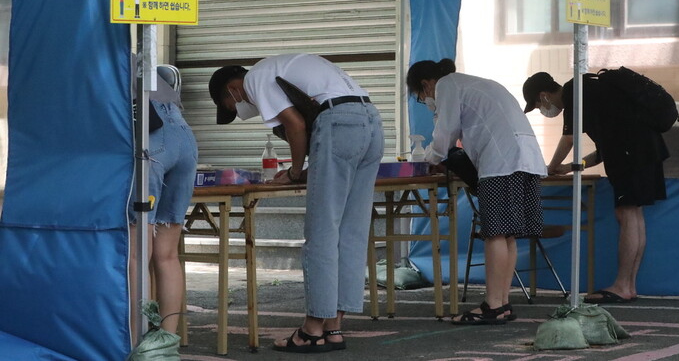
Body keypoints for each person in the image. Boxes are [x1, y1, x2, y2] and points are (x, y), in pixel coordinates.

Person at [209, 53, 384, 353]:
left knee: (322, 233)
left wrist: (293, 172)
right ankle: (333, 327)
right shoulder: (282, 67)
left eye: (231, 108)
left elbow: (295, 124)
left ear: (233, 91)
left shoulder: (254, 79)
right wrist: (303, 169)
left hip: (338, 124)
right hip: (370, 122)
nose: (240, 112)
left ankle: (312, 330)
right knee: (350, 231)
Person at [407, 58, 546, 325]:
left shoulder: (447, 85)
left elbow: (445, 133)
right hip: (526, 159)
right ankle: (502, 302)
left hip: (501, 162)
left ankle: (493, 305)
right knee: (508, 235)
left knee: (495, 232)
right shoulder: (477, 83)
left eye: (420, 96)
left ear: (425, 84)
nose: (425, 100)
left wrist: (429, 158)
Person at [523, 69, 667, 304]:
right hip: (646, 150)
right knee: (634, 214)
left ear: (544, 95)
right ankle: (629, 285)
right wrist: (572, 166)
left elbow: (569, 139)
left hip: (630, 155)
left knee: (627, 214)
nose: (542, 110)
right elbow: (603, 149)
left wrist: (549, 167)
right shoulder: (591, 91)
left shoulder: (573, 92)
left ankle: (622, 285)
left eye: (538, 105)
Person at [129, 65, 198, 340]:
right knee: (167, 255)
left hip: (150, 135)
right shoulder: (138, 57)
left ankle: (137, 343)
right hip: (184, 136)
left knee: (137, 256)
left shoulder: (102, 58)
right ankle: (166, 344)